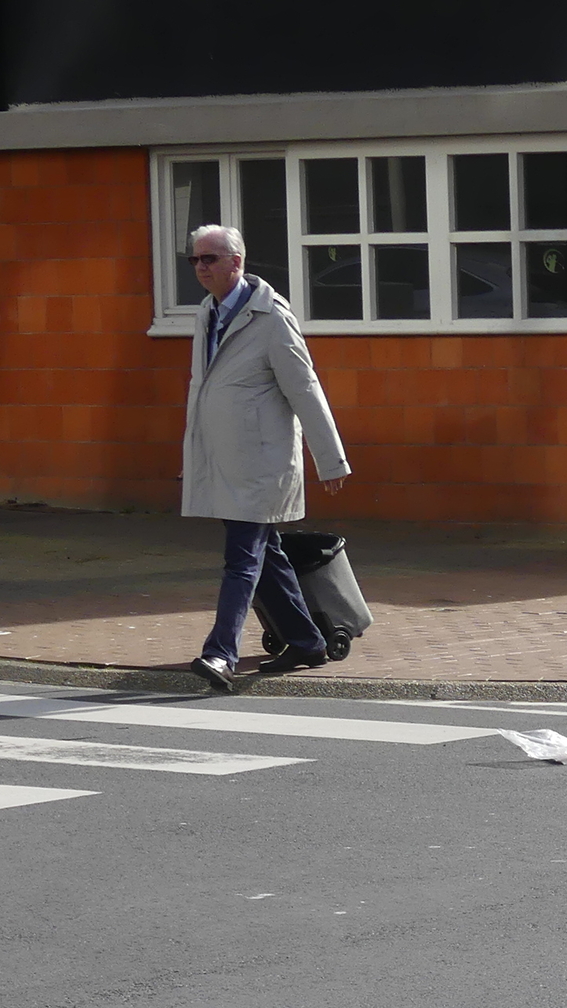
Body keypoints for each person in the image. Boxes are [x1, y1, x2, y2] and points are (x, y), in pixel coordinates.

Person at [181, 223, 350, 693]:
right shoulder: (206, 314)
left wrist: (330, 459)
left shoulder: (271, 317)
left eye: (210, 259)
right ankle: (305, 641)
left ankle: (221, 653)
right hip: (223, 459)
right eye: (195, 259)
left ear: (237, 262)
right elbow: (207, 390)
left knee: (242, 558)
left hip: (262, 463)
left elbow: (305, 387)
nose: (201, 267)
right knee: (265, 553)